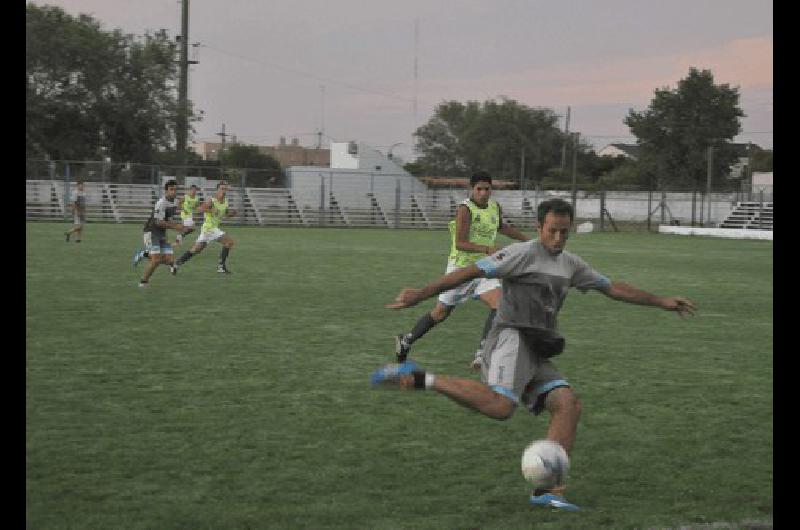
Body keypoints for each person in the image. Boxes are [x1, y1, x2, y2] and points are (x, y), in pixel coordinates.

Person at [372, 198, 696, 511]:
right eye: (552, 230)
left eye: (564, 232)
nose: (558, 238)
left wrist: (662, 301)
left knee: (568, 405)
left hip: (537, 346)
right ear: (539, 226)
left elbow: (611, 287)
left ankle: (548, 491)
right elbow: (469, 273)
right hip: (510, 338)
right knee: (501, 407)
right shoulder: (520, 254)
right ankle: (421, 378)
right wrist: (421, 294)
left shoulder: (570, 264)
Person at [395, 171, 529, 369]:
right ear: (472, 189)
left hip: (484, 269)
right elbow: (460, 243)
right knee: (440, 313)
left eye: (487, 189)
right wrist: (487, 248)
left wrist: (529, 241)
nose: (483, 193)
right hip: (460, 270)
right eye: (479, 189)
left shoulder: (494, 207)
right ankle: (406, 341)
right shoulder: (465, 210)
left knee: (500, 305)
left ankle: (482, 353)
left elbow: (502, 227)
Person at [171, 181, 237, 274]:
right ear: (217, 190)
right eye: (222, 189)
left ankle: (176, 264)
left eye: (225, 189)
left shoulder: (225, 201)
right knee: (229, 242)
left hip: (208, 230)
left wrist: (231, 213)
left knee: (196, 250)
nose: (224, 191)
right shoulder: (211, 200)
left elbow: (225, 213)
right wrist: (210, 210)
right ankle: (221, 267)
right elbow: (199, 209)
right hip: (209, 228)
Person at [137, 179, 186, 287]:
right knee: (156, 260)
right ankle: (143, 282)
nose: (173, 192)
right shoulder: (161, 203)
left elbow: (177, 209)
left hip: (162, 233)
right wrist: (176, 226)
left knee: (169, 259)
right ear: (166, 191)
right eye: (171, 189)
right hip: (151, 232)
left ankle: (144, 254)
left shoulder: (175, 201)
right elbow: (158, 222)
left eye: (175, 190)